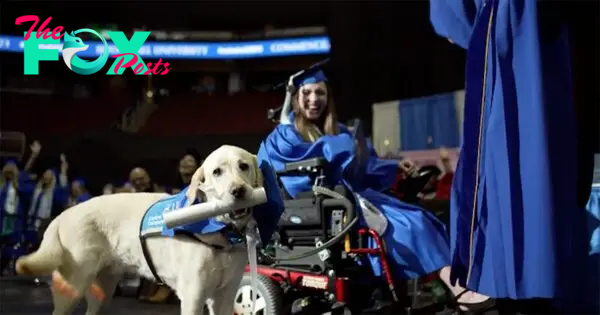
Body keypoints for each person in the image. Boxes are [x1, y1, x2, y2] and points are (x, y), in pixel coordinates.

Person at [258, 69, 492, 312]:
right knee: (410, 224)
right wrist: (338, 145)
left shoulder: (335, 130)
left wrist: (394, 165)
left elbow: (363, 166)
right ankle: (456, 288)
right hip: (322, 206)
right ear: (296, 97)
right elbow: (295, 174)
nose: (314, 99)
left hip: (351, 198)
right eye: (307, 93)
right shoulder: (285, 134)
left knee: (425, 217)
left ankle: (439, 286)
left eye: (320, 93)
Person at [430, 1, 593, 312]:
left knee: (506, 161)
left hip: (508, 42)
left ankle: (514, 280)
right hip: (564, 50)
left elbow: (454, 20)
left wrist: (468, 27)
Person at [27, 154, 69, 232]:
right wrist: (33, 156)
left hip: (44, 227)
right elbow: (23, 178)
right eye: (45, 174)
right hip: (29, 225)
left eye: (49, 174)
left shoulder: (54, 193)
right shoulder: (36, 189)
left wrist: (63, 173)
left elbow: (63, 198)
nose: (45, 176)